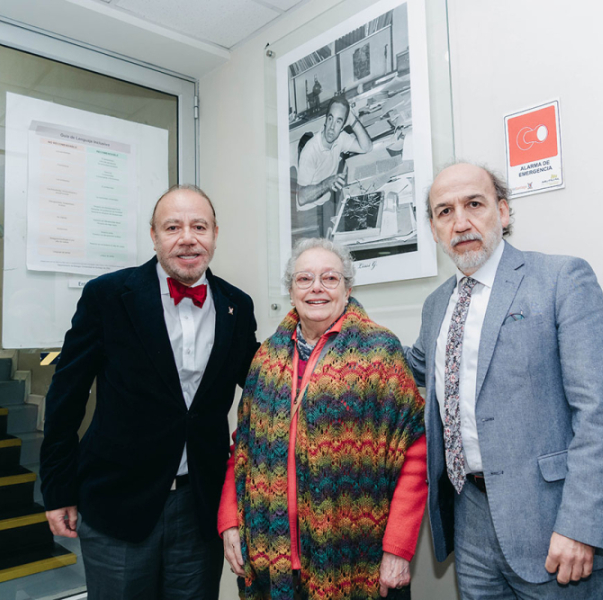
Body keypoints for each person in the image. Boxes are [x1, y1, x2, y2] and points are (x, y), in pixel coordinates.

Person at [405, 162, 603, 598]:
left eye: (474, 204)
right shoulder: (436, 305)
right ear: (434, 230)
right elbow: (415, 365)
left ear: (503, 211)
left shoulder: (561, 279)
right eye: (445, 212)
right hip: (470, 522)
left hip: (554, 523)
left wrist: (581, 526)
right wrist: (341, 319)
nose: (461, 222)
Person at [39, 184, 259, 599]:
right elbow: (66, 397)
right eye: (173, 227)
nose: (188, 238)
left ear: (215, 234)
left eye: (199, 226)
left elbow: (262, 381)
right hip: (118, 504)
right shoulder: (107, 296)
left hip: (199, 506)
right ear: (154, 236)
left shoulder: (237, 304)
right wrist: (58, 488)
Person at [218, 239, 427, 600]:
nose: (316, 287)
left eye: (330, 278)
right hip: (272, 558)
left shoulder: (382, 353)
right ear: (291, 291)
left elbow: (415, 452)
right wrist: (229, 520)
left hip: (357, 556)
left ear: (348, 289)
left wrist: (398, 547)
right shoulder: (266, 357)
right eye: (304, 279)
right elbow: (244, 448)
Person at [296, 96, 373, 219]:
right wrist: (327, 183)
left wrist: (353, 120)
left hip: (325, 203)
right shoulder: (310, 151)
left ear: (343, 126)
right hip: (308, 213)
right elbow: (301, 198)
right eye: (330, 118)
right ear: (326, 120)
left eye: (338, 121)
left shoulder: (340, 138)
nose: (332, 127)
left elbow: (366, 147)